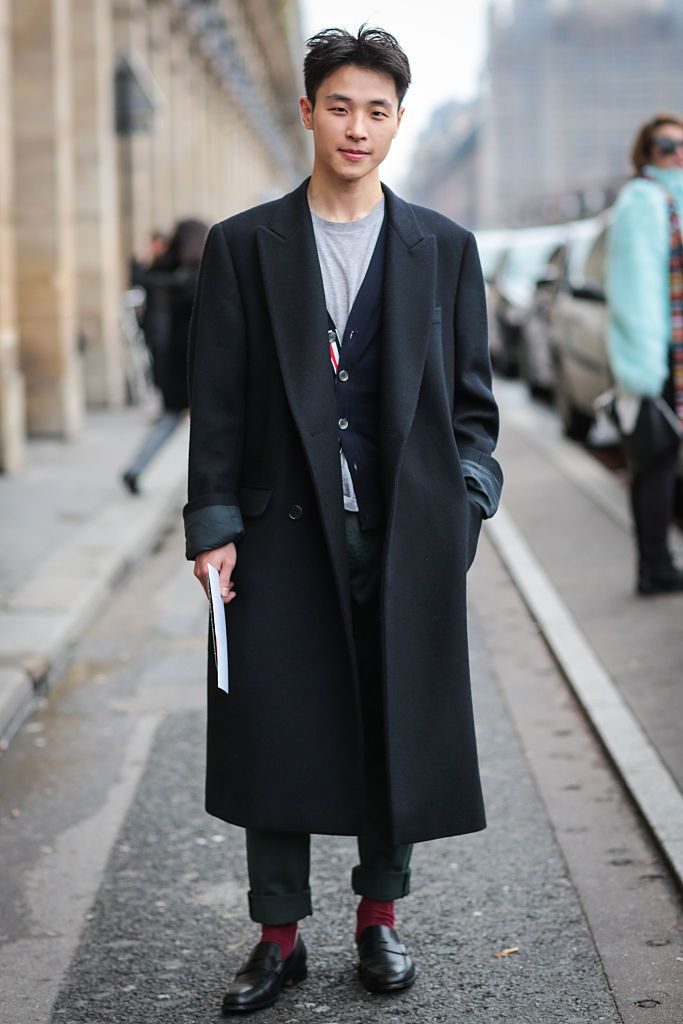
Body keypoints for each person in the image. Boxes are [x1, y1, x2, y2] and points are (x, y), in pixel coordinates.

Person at [184, 26, 503, 1014]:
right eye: (339, 106)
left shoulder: (441, 248)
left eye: (376, 110)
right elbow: (219, 399)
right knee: (272, 725)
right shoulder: (246, 246)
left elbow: (471, 408)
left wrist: (465, 500)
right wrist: (211, 523)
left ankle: (379, 917)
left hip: (407, 533)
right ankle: (276, 935)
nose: (356, 127)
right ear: (307, 112)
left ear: (396, 120)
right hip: (278, 533)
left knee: (391, 716)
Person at [606, 114, 683, 596]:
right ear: (646, 152)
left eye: (681, 144)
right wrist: (644, 369)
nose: (676, 152)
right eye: (665, 144)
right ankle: (654, 566)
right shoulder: (642, 201)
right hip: (660, 360)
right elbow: (634, 291)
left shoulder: (673, 200)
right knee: (655, 461)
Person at [122, 218, 209, 494]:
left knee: (171, 420)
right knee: (205, 426)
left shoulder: (172, 275)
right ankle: (211, 485)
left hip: (172, 364)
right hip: (192, 365)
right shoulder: (192, 276)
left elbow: (143, 277)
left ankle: (136, 468)